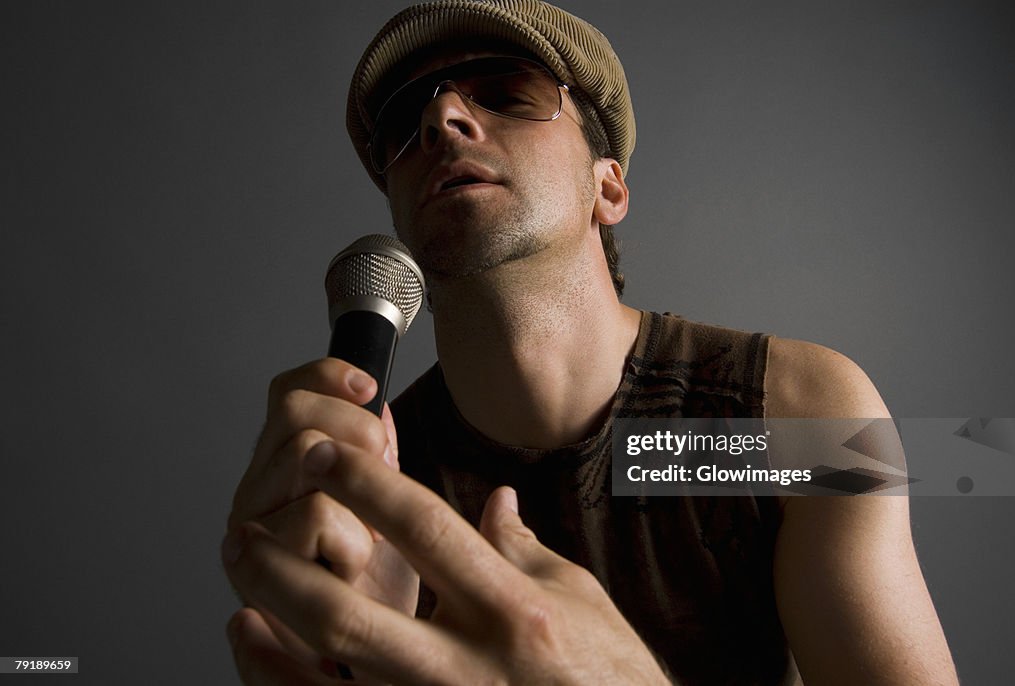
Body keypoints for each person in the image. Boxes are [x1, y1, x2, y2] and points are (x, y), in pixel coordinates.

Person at [221, 1, 959, 683]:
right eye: (404, 119)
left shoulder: (791, 415)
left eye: (507, 91)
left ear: (607, 187)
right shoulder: (365, 483)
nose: (441, 117)